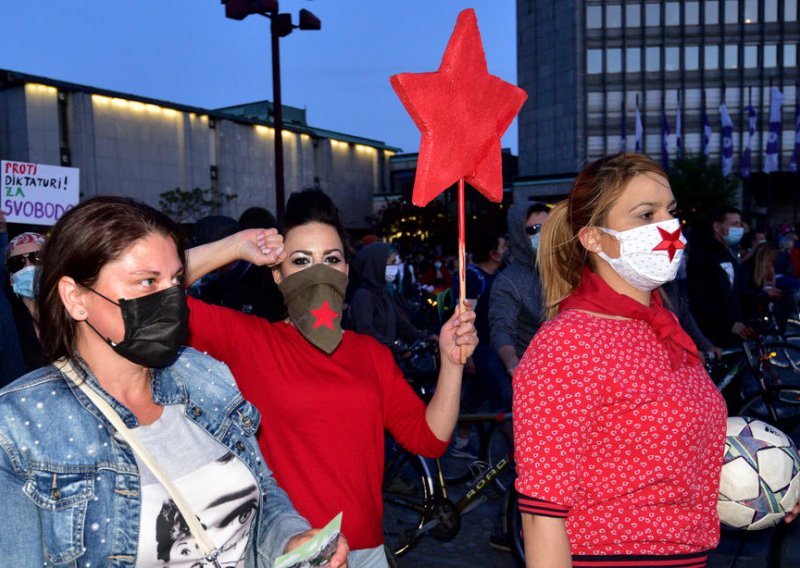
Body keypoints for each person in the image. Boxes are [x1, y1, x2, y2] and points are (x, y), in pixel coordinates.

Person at [0, 196, 348, 567]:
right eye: (147, 282)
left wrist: (289, 539)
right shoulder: (19, 427)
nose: (170, 299)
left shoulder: (205, 377)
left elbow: (263, 494)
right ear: (75, 297)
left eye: (176, 281)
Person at [184, 189, 477, 567]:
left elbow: (429, 439)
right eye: (301, 260)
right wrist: (235, 246)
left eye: (331, 259)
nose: (319, 273)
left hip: (366, 552)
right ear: (277, 273)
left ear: (346, 271)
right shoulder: (248, 340)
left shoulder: (370, 355)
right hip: (288, 552)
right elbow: (148, 298)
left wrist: (451, 364)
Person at [514, 153, 732, 566]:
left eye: (670, 211)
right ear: (594, 238)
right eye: (645, 214)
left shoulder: (661, 328)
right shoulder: (568, 345)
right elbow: (541, 516)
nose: (668, 228)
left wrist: (762, 485)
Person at [489, 202, 549, 380]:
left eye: (550, 226)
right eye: (536, 229)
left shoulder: (572, 268)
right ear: (519, 235)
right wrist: (513, 364)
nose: (544, 234)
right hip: (538, 377)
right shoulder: (508, 282)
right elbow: (501, 330)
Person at [686, 206, 754, 347]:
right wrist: (727, 323)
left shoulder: (728, 255)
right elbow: (700, 300)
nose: (739, 229)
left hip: (734, 332)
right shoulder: (702, 258)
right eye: (734, 224)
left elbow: (735, 293)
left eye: (740, 224)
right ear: (717, 227)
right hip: (714, 336)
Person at [346, 241, 426, 360]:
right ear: (377, 265)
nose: (395, 268)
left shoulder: (383, 292)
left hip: (385, 360)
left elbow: (399, 322)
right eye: (391, 263)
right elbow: (365, 331)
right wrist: (395, 349)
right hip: (370, 363)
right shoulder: (364, 296)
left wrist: (424, 338)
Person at [4, 231, 47, 372]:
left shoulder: (75, 314)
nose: (28, 266)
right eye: (17, 263)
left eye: (37, 258)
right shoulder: (8, 324)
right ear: (11, 277)